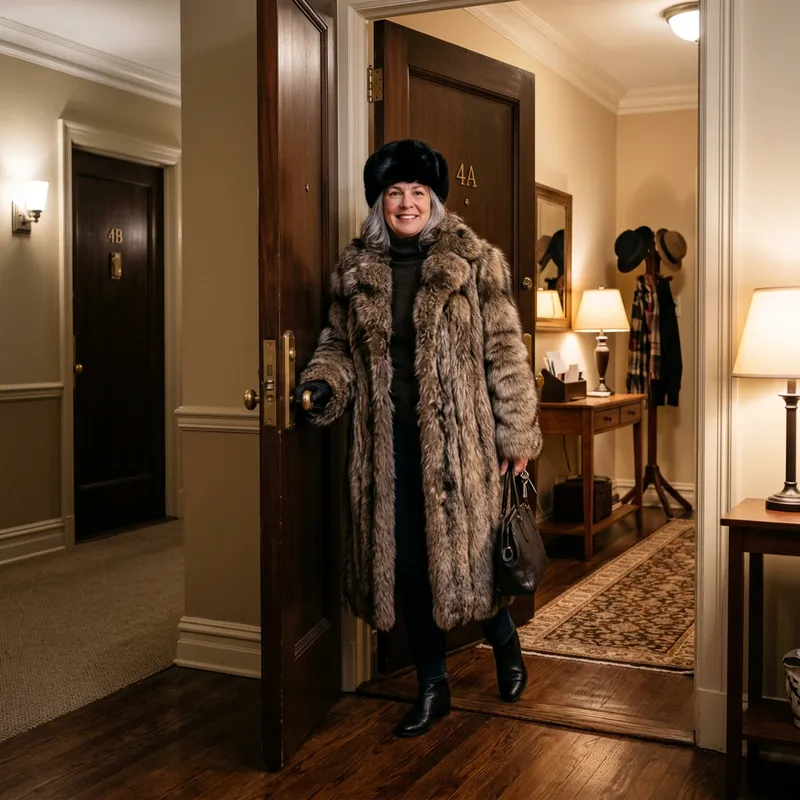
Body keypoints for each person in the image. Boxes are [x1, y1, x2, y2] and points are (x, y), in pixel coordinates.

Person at [294, 139, 542, 737]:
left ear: (434, 201)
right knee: (406, 565)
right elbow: (336, 346)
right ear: (379, 203)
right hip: (388, 447)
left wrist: (516, 432)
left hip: (463, 445)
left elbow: (505, 349)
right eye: (394, 193)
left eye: (417, 193)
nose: (406, 203)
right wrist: (323, 385)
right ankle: (434, 684)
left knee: (475, 561)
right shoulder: (355, 271)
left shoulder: (474, 262)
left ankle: (505, 644)